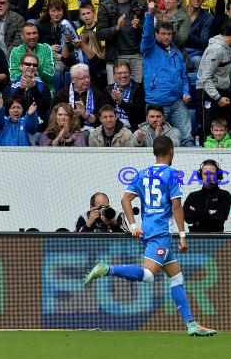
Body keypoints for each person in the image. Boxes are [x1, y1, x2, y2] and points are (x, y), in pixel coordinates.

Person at [83, 136, 217, 337]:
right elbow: (176, 206)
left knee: (177, 277)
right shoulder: (172, 174)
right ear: (172, 150)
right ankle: (107, 269)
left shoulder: (142, 174)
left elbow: (125, 199)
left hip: (151, 231)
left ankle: (191, 324)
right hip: (161, 233)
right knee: (148, 276)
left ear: (154, 152)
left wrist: (134, 225)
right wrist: (182, 235)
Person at [141, 8, 193, 147]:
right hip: (156, 104)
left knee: (187, 137)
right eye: (163, 33)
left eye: (169, 34)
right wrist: (150, 14)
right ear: (156, 34)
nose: (166, 37)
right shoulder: (149, 49)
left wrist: (186, 92)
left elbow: (184, 76)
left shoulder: (177, 53)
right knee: (153, 140)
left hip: (177, 102)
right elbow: (146, 35)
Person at [196, 17, 231, 142]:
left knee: (229, 124)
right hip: (208, 93)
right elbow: (205, 77)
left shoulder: (229, 47)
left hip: (221, 91)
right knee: (208, 130)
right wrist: (217, 97)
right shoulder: (217, 49)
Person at [96, 0, 147, 84]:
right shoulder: (106, 5)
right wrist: (116, 28)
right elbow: (100, 34)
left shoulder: (141, 3)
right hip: (115, 57)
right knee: (115, 93)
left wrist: (138, 27)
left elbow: (149, 32)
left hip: (137, 56)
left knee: (136, 93)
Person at [52, 63, 113, 131]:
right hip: (65, 130)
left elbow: (101, 118)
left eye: (88, 77)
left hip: (91, 131)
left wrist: (85, 115)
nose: (87, 80)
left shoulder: (97, 95)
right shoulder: (61, 95)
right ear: (73, 79)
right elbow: (53, 117)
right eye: (83, 78)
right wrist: (72, 114)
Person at [184, 159, 231, 232]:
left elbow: (220, 218)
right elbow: (187, 218)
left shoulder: (224, 195)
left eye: (212, 174)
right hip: (194, 237)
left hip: (216, 238)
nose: (208, 177)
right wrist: (209, 212)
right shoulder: (193, 196)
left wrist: (196, 214)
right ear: (201, 175)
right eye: (205, 174)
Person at [9, 52, 52, 130]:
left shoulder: (44, 86)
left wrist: (33, 88)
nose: (32, 67)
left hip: (37, 127)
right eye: (28, 64)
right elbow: (7, 106)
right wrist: (21, 89)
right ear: (21, 66)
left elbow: (45, 107)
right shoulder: (11, 85)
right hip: (14, 126)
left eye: (35, 65)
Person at [9, 23, 55, 93]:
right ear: (22, 36)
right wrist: (32, 75)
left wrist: (35, 67)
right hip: (21, 90)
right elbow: (13, 77)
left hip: (45, 91)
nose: (32, 36)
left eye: (34, 33)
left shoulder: (46, 48)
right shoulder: (16, 51)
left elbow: (51, 76)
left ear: (38, 35)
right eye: (28, 34)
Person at [106, 61, 145, 132]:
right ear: (114, 76)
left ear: (130, 75)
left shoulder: (138, 88)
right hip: (113, 127)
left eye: (126, 72)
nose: (123, 76)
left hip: (132, 128)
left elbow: (139, 113)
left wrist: (121, 103)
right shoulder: (108, 89)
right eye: (119, 73)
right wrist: (112, 100)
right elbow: (104, 112)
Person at [185, 0, 214, 72]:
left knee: (198, 61)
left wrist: (185, 35)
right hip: (177, 51)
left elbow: (203, 42)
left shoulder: (208, 17)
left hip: (196, 53)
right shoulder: (179, 12)